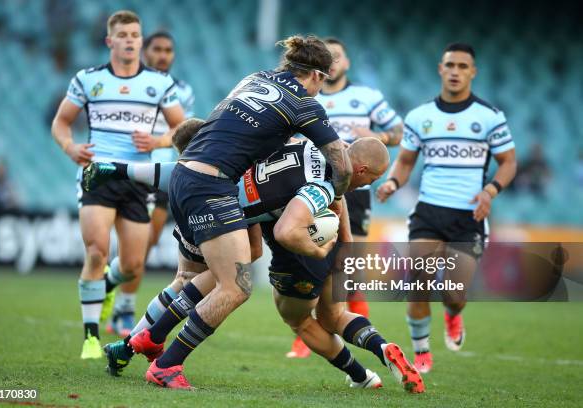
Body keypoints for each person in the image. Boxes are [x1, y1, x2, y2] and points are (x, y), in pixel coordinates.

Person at [86, 120, 424, 393]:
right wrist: (327, 247)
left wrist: (116, 169)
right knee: (292, 308)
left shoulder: (304, 145)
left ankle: (147, 340)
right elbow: (289, 230)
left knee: (215, 282)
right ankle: (372, 361)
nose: (366, 186)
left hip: (220, 204)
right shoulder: (322, 183)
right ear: (361, 169)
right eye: (372, 179)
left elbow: (172, 171)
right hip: (279, 236)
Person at [98, 34, 352, 389]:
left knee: (202, 278)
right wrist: (331, 193)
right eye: (322, 84)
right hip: (212, 188)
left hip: (187, 177)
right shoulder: (305, 104)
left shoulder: (255, 77)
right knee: (235, 287)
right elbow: (343, 165)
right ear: (319, 76)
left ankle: (141, 341)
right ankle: (166, 365)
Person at [51, 10, 185, 359]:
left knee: (132, 266)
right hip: (98, 173)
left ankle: (110, 283)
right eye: (122, 35)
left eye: (134, 35)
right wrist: (70, 147)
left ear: (140, 41)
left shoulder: (158, 83)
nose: (129, 40)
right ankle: (91, 338)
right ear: (110, 41)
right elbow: (61, 123)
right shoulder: (88, 79)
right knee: (96, 251)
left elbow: (182, 131)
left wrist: (155, 143)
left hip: (137, 178)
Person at [377, 43, 517, 373]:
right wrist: (392, 183)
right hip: (428, 212)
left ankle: (453, 316)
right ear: (441, 69)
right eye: (450, 65)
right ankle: (422, 350)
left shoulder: (489, 117)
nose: (455, 71)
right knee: (418, 284)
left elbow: (509, 162)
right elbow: (406, 161)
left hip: (469, 217)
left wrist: (490, 190)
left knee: (453, 294)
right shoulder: (419, 116)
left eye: (462, 66)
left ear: (472, 72)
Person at [282, 37, 405, 358]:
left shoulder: (367, 97)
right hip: (314, 183)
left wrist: (378, 137)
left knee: (350, 260)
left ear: (347, 62)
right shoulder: (309, 96)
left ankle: (338, 319)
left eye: (338, 57)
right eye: (329, 58)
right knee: (312, 252)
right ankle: (309, 328)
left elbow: (398, 131)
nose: (334, 63)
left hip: (356, 187)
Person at [104, 30, 195, 338]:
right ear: (145, 51)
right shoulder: (131, 86)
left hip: (163, 173)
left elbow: (182, 130)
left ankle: (114, 288)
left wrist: (157, 140)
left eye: (168, 50)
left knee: (148, 244)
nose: (162, 55)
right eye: (157, 49)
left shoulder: (182, 90)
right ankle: (123, 308)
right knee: (136, 248)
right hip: (135, 171)